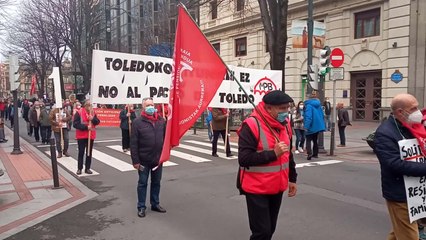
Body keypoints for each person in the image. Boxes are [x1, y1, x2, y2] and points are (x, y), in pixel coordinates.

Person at [237, 90, 297, 240]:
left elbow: (288, 154)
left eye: (288, 107)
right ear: (268, 108)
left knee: (270, 230)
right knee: (261, 232)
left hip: (277, 186)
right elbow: (244, 159)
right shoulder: (251, 124)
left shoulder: (285, 124)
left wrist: (293, 178)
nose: (286, 111)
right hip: (256, 188)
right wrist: (272, 154)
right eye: (282, 108)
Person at [374, 93, 426, 240]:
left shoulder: (413, 127)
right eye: (414, 108)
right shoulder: (385, 133)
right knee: (409, 235)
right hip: (400, 193)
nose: (418, 112)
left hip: (418, 192)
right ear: (400, 112)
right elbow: (394, 164)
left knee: (400, 231)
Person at [130, 97, 167, 218]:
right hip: (143, 160)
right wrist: (135, 161)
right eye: (148, 105)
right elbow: (133, 143)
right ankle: (141, 207)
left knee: (156, 182)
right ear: (143, 108)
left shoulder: (161, 121)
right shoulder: (137, 122)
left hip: (157, 159)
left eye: (152, 105)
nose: (151, 107)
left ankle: (155, 204)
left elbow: (166, 138)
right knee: (142, 183)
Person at [73, 100, 100, 175]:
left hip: (90, 136)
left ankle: (87, 168)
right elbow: (75, 124)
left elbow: (97, 122)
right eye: (88, 105)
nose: (90, 107)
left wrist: (93, 119)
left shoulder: (93, 112)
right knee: (81, 152)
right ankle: (79, 168)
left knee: (89, 153)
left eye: (90, 105)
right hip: (81, 135)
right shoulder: (79, 112)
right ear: (85, 105)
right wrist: (85, 127)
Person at [303, 91, 326, 160]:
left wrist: (306, 126)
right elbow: (322, 115)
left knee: (308, 140)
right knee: (315, 140)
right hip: (317, 126)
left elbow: (308, 117)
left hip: (311, 126)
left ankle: (309, 153)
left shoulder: (309, 105)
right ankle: (315, 153)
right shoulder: (318, 104)